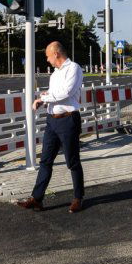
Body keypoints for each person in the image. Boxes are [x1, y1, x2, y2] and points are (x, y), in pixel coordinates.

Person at [17, 41, 85, 213]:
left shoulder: (74, 68)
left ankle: (78, 198)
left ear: (56, 54)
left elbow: (66, 92)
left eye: (48, 56)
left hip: (68, 120)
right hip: (52, 121)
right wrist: (45, 99)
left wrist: (43, 98)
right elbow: (54, 94)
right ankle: (37, 198)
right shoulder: (54, 74)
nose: (47, 60)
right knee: (45, 160)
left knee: (72, 161)